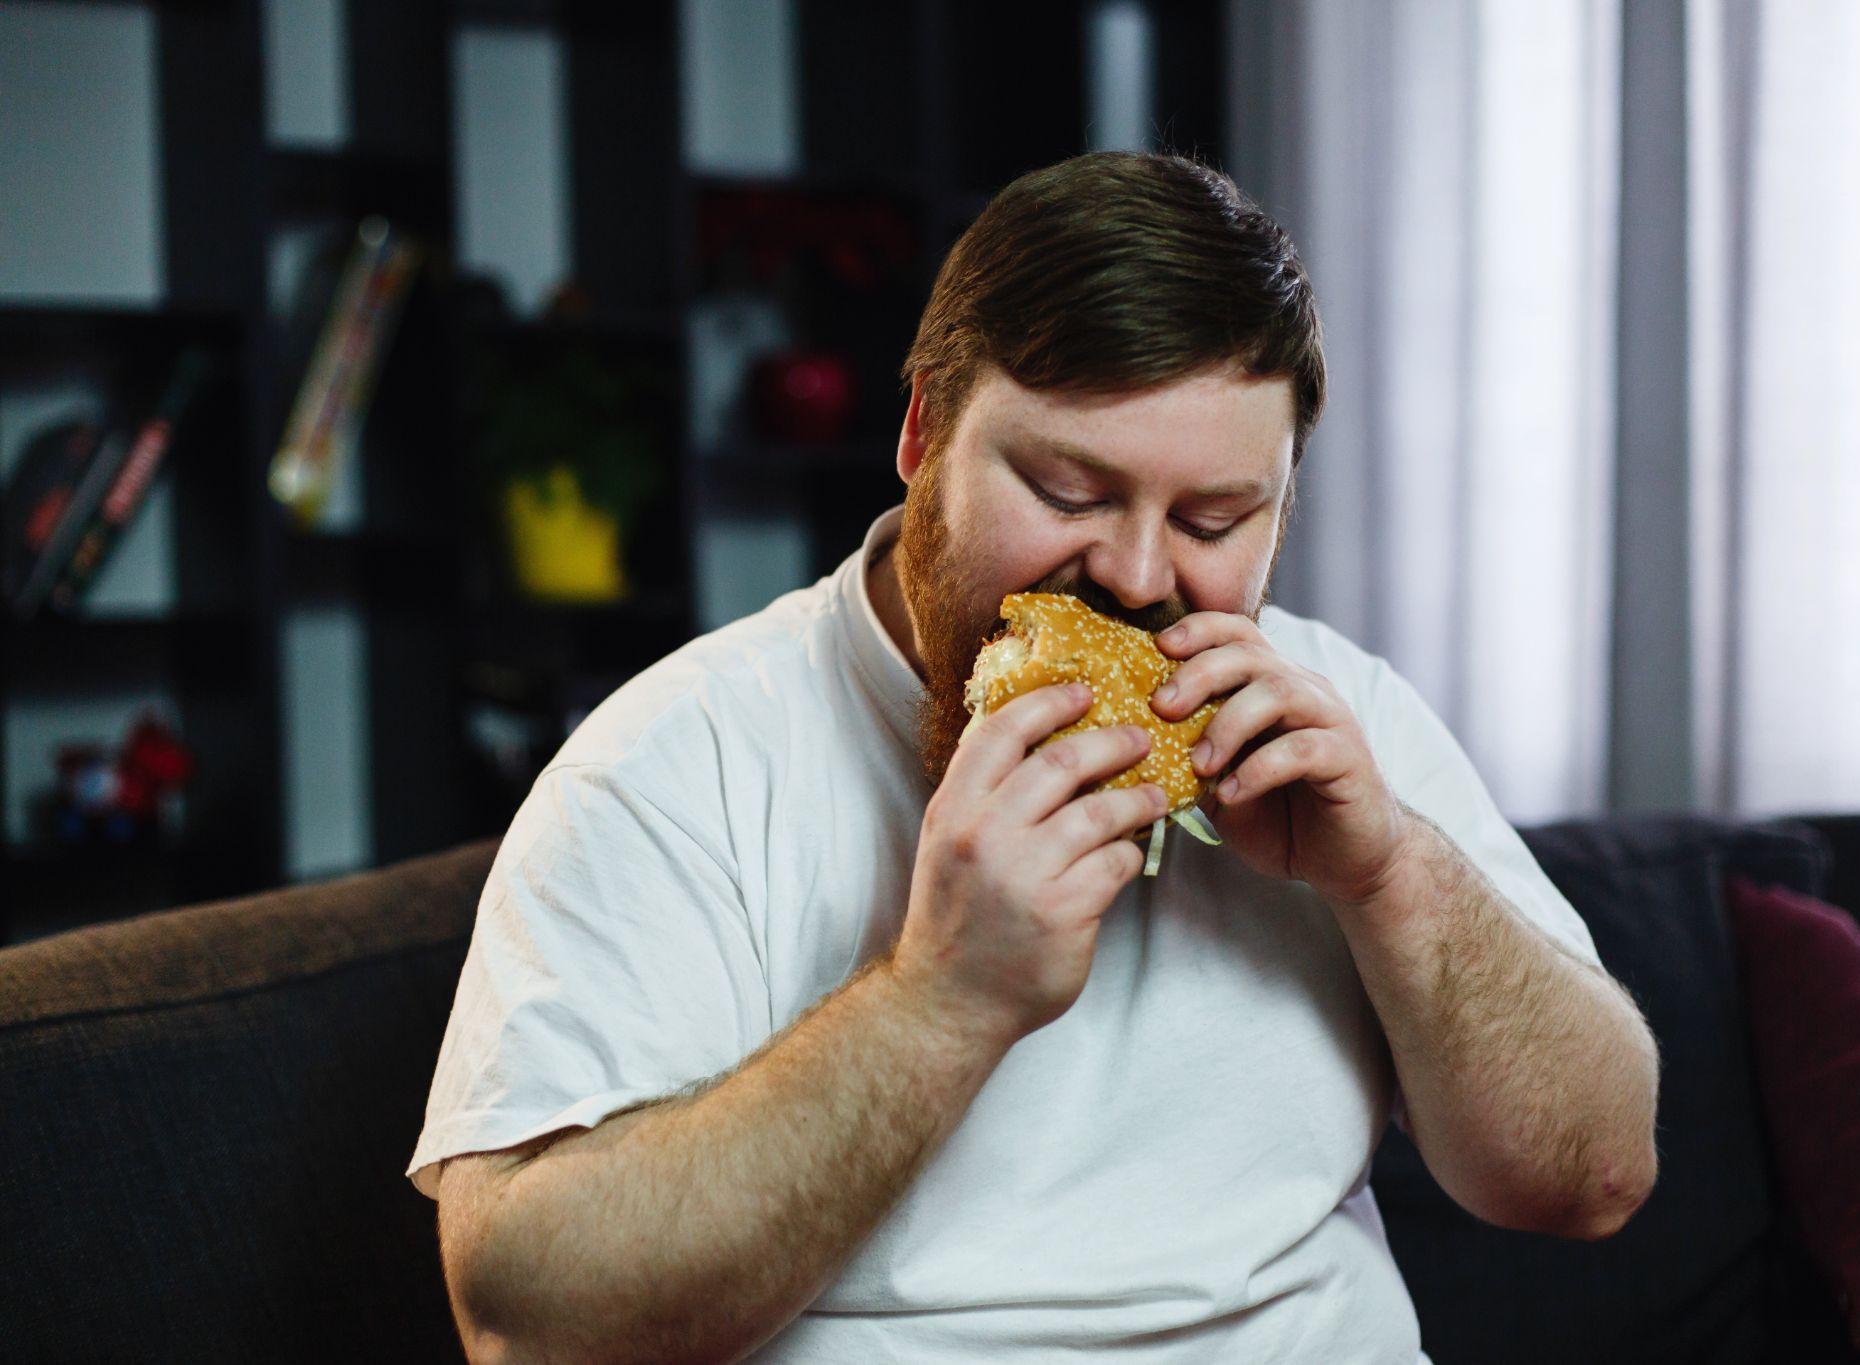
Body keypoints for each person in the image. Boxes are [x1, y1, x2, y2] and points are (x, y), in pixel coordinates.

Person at [411, 151, 1660, 1364]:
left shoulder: (1341, 719)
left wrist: (1390, 874)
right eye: (1067, 492)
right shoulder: (674, 767)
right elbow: (533, 1330)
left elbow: (1594, 1180)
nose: (1132, 574)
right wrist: (941, 998)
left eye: (1214, 520)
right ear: (920, 436)